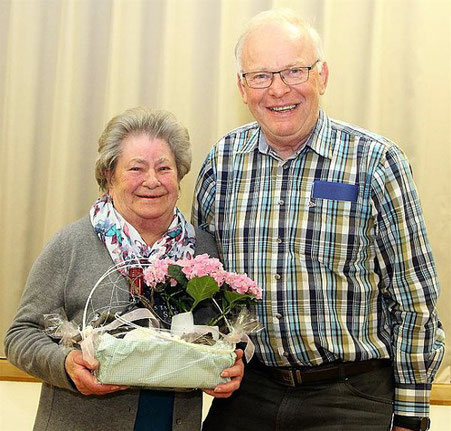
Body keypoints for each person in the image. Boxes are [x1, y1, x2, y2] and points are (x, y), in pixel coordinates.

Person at [192, 9, 444, 431]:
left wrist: (412, 414)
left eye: (294, 71)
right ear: (241, 87)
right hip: (249, 393)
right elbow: (205, 285)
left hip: (350, 396)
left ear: (322, 76)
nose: (278, 90)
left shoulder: (376, 162)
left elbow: (413, 296)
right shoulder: (221, 162)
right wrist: (211, 356)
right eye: (260, 76)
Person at [5, 107, 244, 431]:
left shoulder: (204, 250)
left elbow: (224, 336)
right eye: (136, 168)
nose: (152, 181)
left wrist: (231, 364)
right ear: (108, 177)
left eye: (164, 168)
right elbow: (20, 336)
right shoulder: (71, 245)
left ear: (179, 176)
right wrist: (65, 365)